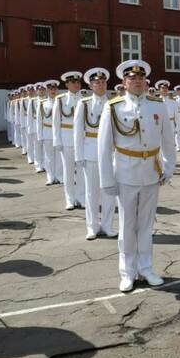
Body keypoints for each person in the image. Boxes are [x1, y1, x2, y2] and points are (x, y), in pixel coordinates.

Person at [98, 60, 176, 292]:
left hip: (151, 172)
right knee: (127, 225)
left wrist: (169, 167)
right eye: (132, 78)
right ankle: (127, 272)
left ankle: (147, 268)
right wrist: (107, 180)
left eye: (141, 78)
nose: (137, 81)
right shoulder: (113, 107)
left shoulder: (157, 105)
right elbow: (104, 147)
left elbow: (168, 140)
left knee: (146, 225)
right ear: (124, 82)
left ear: (146, 81)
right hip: (125, 173)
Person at [74, 67, 118, 240]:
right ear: (91, 85)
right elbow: (78, 132)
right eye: (96, 83)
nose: (100, 85)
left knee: (109, 191)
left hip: (110, 153)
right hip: (90, 152)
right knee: (91, 192)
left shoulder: (114, 103)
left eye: (102, 82)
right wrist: (79, 156)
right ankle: (92, 227)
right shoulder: (83, 104)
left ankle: (107, 225)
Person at [53, 71, 85, 210]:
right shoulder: (60, 100)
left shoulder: (84, 99)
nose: (76, 85)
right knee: (68, 170)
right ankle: (70, 199)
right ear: (67, 84)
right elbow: (55, 122)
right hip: (66, 139)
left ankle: (81, 197)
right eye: (73, 82)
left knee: (82, 170)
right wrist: (57, 141)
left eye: (78, 82)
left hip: (82, 140)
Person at [36, 80, 62, 185]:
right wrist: (40, 135)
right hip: (48, 131)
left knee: (59, 156)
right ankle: (50, 177)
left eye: (55, 89)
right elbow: (39, 120)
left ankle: (60, 176)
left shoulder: (61, 102)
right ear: (47, 90)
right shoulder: (42, 104)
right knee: (49, 156)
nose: (53, 91)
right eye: (51, 89)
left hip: (60, 132)